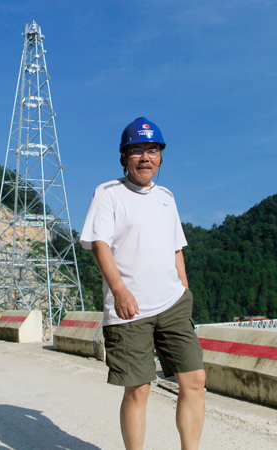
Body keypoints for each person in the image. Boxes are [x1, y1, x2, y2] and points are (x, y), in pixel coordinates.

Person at [80, 117, 205, 450]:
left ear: (161, 157)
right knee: (138, 389)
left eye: (152, 150)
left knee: (194, 381)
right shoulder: (108, 194)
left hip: (173, 303)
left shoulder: (166, 197)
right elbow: (100, 245)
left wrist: (185, 292)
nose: (145, 157)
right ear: (124, 157)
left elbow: (176, 248)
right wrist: (119, 290)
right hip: (130, 307)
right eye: (136, 150)